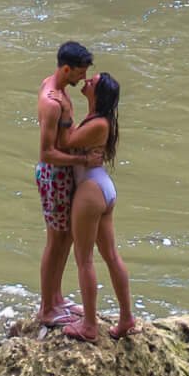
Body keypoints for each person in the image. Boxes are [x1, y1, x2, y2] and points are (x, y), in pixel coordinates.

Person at [62, 71, 136, 343]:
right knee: (110, 255)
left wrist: (63, 110)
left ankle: (90, 325)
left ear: (99, 93)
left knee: (85, 260)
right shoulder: (98, 120)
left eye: (92, 81)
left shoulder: (98, 123)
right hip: (101, 188)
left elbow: (67, 141)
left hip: (91, 190)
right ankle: (126, 318)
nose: (87, 81)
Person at [36, 39, 103, 327]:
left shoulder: (56, 87)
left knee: (66, 238)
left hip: (61, 175)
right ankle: (46, 308)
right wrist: (82, 161)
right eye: (80, 73)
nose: (83, 78)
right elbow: (47, 152)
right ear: (66, 69)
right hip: (55, 176)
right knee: (56, 240)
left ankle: (57, 298)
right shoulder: (52, 102)